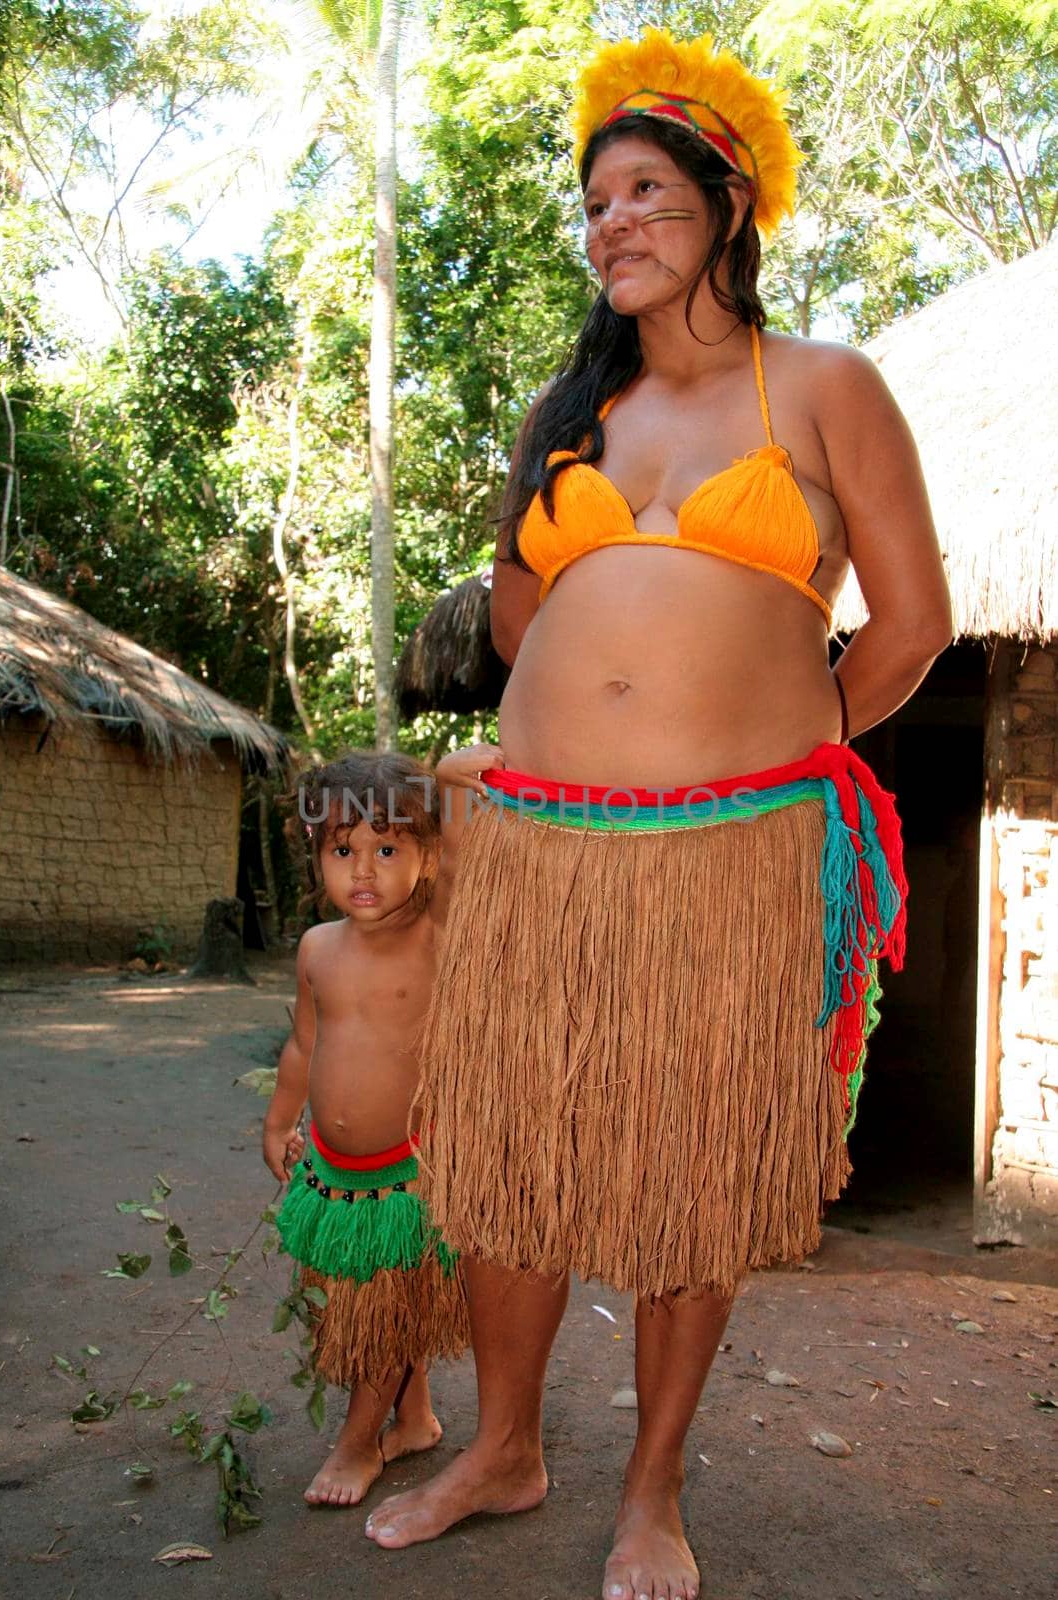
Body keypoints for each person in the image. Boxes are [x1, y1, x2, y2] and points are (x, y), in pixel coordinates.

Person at [365, 28, 952, 1600]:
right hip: (536, 848)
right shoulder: (572, 412)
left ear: (726, 205)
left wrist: (778, 746)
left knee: (682, 1169)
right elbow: (509, 631)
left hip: (729, 853)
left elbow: (904, 627)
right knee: (509, 1160)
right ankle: (502, 1448)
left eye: (643, 193)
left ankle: (651, 1490)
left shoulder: (825, 386)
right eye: (593, 202)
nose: (608, 224)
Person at [263, 750, 469, 1508]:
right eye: (342, 850)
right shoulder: (318, 948)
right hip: (328, 1170)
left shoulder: (437, 935)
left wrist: (449, 781)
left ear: (428, 855)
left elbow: (472, 839)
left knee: (380, 1315)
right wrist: (280, 1122)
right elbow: (304, 1045)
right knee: (342, 1309)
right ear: (316, 856)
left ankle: (356, 1445)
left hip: (405, 1174)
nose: (364, 871)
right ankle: (412, 1418)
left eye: (388, 849)